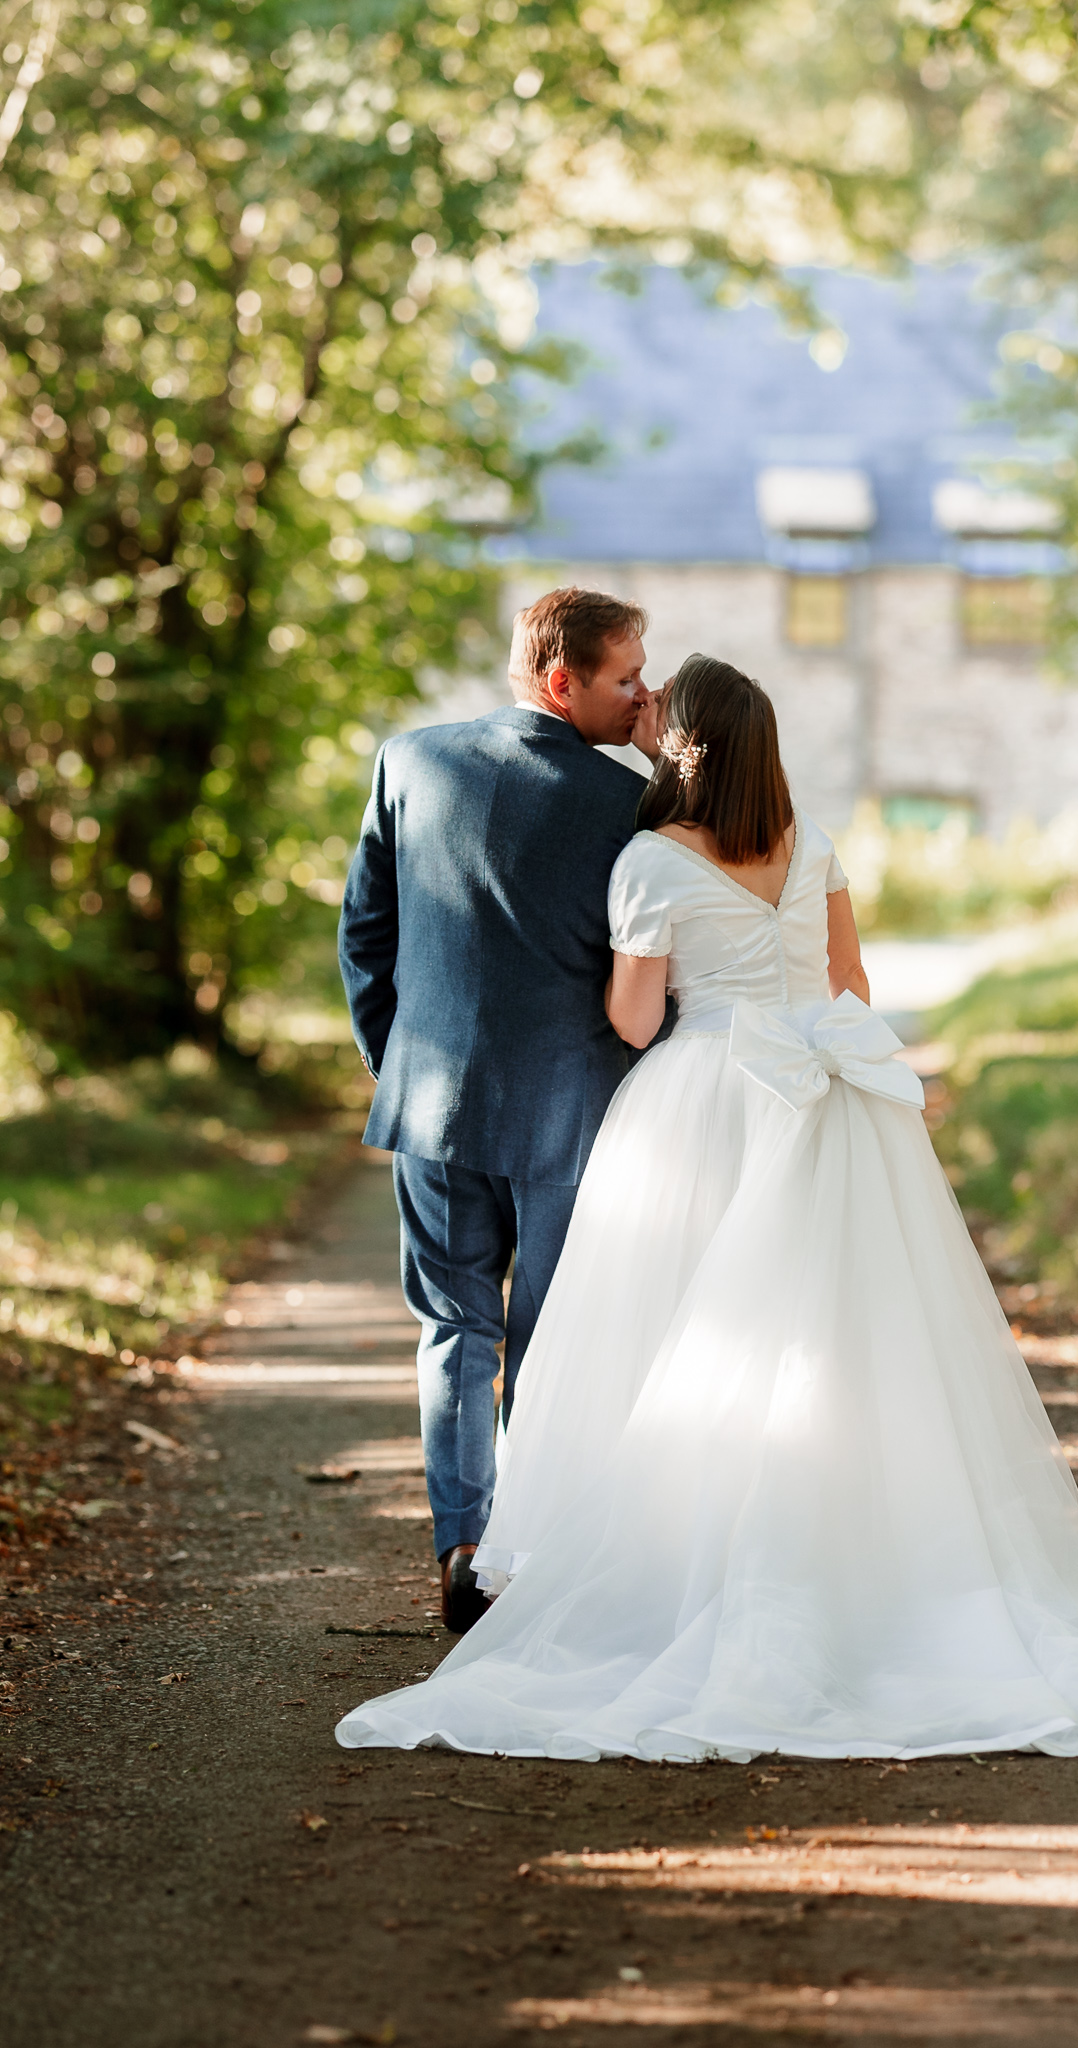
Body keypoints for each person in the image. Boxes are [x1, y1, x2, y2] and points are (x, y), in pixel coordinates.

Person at [337, 655, 1078, 1762]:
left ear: (681, 743)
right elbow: (853, 989)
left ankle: (674, 1561)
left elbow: (637, 1021)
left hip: (702, 1100)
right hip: (827, 1099)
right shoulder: (813, 843)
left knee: (680, 1336)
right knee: (835, 1337)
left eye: (658, 707)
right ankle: (851, 1564)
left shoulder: (649, 858)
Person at [337, 587, 660, 1634]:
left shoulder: (409, 759)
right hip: (573, 1114)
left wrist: (400, 1066)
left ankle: (465, 1544)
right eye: (626, 677)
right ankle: (533, 1551)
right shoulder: (634, 808)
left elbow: (364, 938)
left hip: (431, 1106)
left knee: (454, 1331)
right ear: (561, 678)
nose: (644, 694)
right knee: (552, 1337)